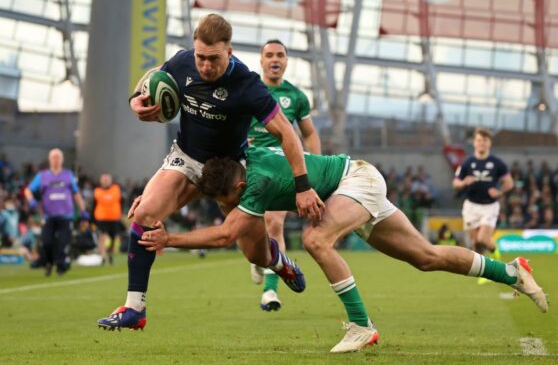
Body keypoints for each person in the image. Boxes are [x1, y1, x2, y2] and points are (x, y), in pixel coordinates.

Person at [138, 147, 548, 353]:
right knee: (426, 257)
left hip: (357, 181)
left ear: (240, 187)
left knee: (316, 239)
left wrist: (169, 239)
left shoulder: (256, 183)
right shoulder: (242, 164)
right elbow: (218, 208)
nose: (229, 203)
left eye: (229, 198)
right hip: (351, 185)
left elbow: (227, 235)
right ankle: (511, 271)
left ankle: (361, 325)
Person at [97, 13, 323, 330]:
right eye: (201, 57)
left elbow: (287, 133)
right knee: (144, 214)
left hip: (231, 171)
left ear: (228, 53)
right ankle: (135, 309)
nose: (205, 66)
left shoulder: (247, 84)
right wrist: (136, 101)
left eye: (213, 59)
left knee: (254, 254)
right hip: (187, 158)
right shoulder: (183, 62)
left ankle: (277, 261)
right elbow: (152, 76)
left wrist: (303, 186)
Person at [247, 39, 321, 311]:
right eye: (269, 55)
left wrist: (312, 165)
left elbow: (310, 133)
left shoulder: (297, 97)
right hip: (250, 164)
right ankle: (257, 258)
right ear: (262, 60)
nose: (275, 59)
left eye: (280, 55)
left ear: (287, 61)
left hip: (282, 165)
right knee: (250, 225)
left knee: (274, 223)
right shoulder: (249, 89)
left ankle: (270, 291)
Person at [452, 128, 513, 266]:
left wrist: (499, 192)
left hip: (489, 206)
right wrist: (463, 182)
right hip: (471, 206)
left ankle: (495, 250)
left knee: (482, 238)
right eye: (479, 140)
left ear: (489, 143)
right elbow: (455, 183)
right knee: (475, 243)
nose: (481, 143)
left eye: (485, 140)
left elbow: (509, 182)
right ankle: (484, 274)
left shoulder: (497, 163)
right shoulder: (467, 163)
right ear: (474, 142)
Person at [24, 148, 89, 276]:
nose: (56, 159)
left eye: (58, 157)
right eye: (53, 157)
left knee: (63, 242)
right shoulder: (42, 176)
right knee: (47, 242)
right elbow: (28, 190)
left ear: (62, 159)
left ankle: (61, 266)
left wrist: (83, 209)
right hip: (48, 216)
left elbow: (76, 194)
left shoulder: (68, 175)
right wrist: (31, 201)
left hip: (66, 216)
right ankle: (48, 262)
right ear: (50, 159)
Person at [93, 173, 123, 265]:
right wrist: (92, 219)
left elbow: (121, 201)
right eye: (103, 179)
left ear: (110, 180)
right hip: (101, 218)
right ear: (100, 181)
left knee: (113, 239)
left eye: (107, 179)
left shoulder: (116, 189)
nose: (105, 181)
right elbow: (94, 205)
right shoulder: (97, 191)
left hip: (114, 218)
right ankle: (102, 256)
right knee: (102, 237)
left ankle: (110, 254)